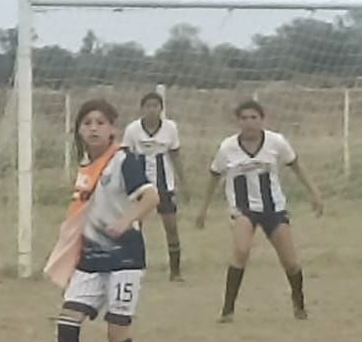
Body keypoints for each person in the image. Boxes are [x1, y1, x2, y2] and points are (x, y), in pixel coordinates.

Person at [35, 99, 159, 342]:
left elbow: (152, 197)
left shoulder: (122, 161)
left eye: (100, 122)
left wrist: (126, 221)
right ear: (78, 130)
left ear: (113, 129)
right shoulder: (85, 168)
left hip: (124, 260)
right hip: (90, 261)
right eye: (87, 122)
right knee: (67, 322)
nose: (93, 128)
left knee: (117, 334)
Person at [195, 100, 325, 322]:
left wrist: (314, 193)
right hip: (243, 209)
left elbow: (296, 166)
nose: (249, 123)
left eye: (254, 118)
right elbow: (214, 176)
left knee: (290, 261)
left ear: (262, 120)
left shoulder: (276, 142)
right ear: (237, 122)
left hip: (273, 208)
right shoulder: (227, 147)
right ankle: (227, 311)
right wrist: (202, 209)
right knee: (241, 250)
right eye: (244, 118)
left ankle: (299, 304)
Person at [121, 92, 185, 281]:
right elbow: (125, 156)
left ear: (161, 109)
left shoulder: (170, 128)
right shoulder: (132, 129)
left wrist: (183, 181)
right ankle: (133, 267)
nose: (151, 110)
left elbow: (175, 155)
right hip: (140, 185)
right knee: (135, 226)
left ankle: (175, 271)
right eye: (147, 106)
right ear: (142, 109)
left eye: (155, 106)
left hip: (164, 184)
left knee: (171, 226)